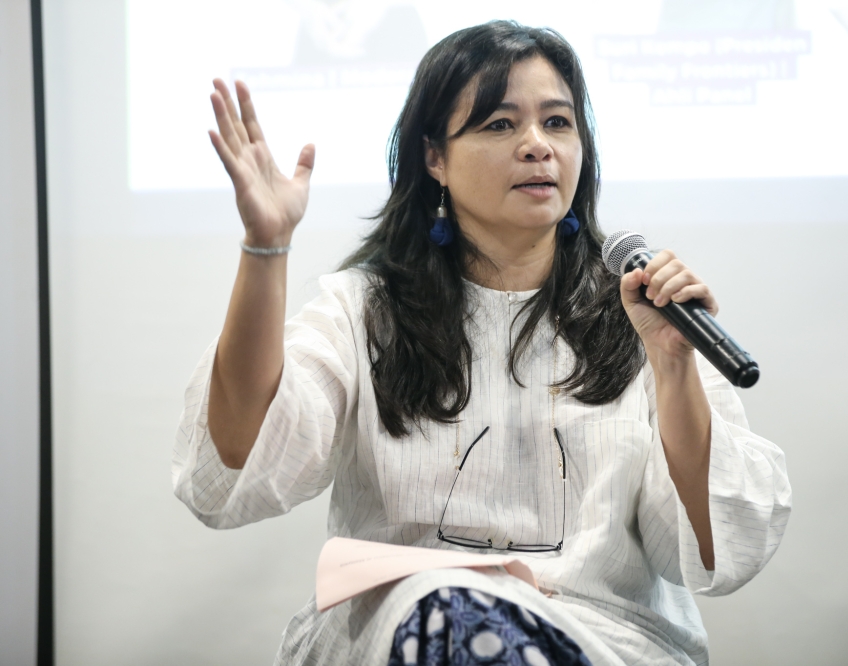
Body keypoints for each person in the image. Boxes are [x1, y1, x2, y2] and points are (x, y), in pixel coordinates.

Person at [173, 20, 791, 666]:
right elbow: (243, 455)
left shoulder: (639, 316)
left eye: (557, 123)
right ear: (433, 156)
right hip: (410, 629)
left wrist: (672, 367)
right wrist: (266, 247)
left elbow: (714, 543)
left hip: (594, 637)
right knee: (450, 616)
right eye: (500, 125)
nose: (537, 146)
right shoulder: (367, 311)